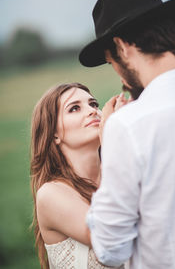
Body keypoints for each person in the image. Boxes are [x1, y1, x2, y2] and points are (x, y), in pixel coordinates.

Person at [79, 0, 175, 269]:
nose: (120, 78)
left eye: (111, 63)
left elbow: (110, 249)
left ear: (121, 46)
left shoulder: (129, 125)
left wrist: (109, 144)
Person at [30, 82, 126, 269]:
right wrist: (113, 144)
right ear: (54, 134)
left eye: (94, 104)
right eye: (74, 108)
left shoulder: (120, 173)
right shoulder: (51, 194)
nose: (92, 111)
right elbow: (112, 239)